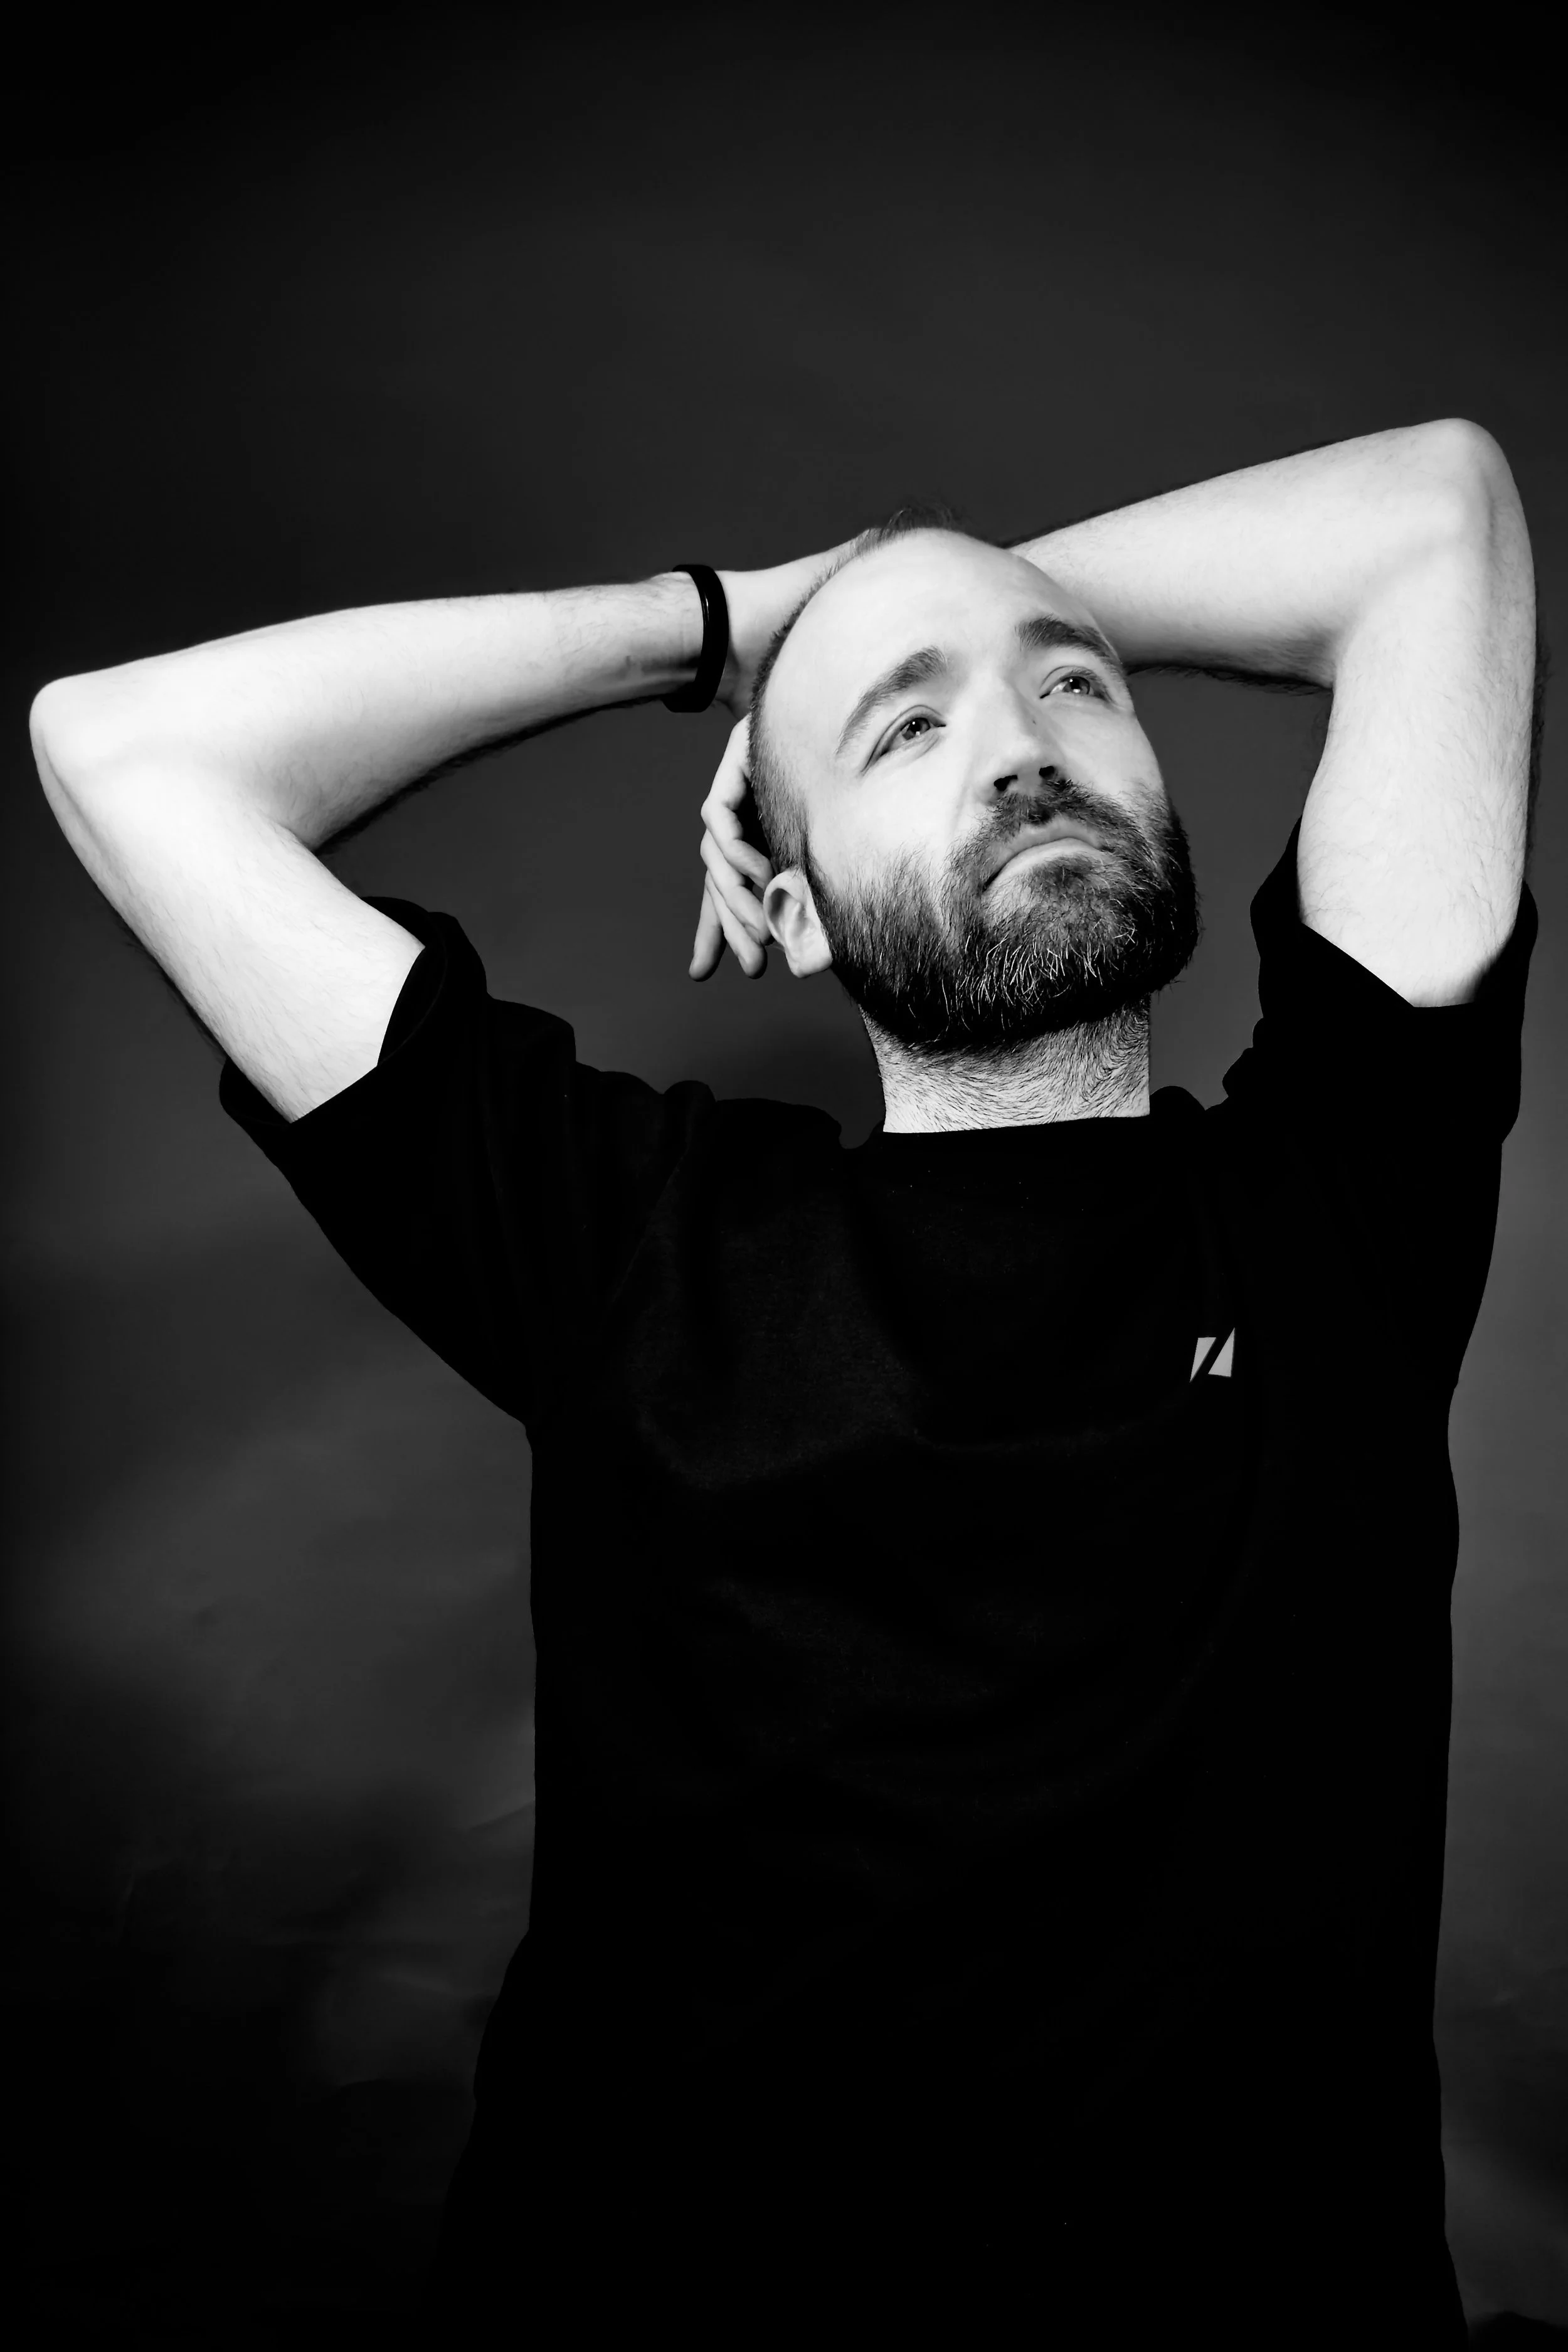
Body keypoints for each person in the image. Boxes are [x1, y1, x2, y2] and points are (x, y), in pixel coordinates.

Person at [31, 421, 1540, 2346]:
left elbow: (1431, 512)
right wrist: (732, 629)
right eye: (904, 731)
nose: (1021, 746)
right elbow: (126, 749)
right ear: (793, 902)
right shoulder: (624, 1238)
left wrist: (923, 604)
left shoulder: (1342, 1193)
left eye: (1074, 684)